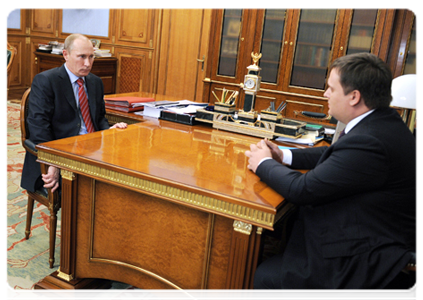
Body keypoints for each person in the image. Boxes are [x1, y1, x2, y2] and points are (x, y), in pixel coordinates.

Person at [245, 53, 419, 299]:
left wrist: (262, 163)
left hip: (367, 253)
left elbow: (302, 190)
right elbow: (336, 155)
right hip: (374, 228)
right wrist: (283, 156)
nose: (325, 94)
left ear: (354, 97)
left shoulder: (370, 140)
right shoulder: (382, 122)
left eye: (330, 88)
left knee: (266, 278)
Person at [21, 33, 127, 194]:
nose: (87, 63)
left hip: (92, 150)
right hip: (62, 151)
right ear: (66, 55)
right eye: (82, 57)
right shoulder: (46, 81)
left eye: (91, 57)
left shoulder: (95, 82)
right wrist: (53, 162)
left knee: (122, 177)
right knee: (86, 191)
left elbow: (99, 118)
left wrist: (109, 131)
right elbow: (39, 128)